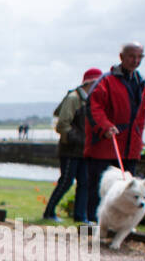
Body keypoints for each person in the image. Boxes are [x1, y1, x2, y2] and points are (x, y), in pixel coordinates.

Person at [83, 42, 145, 223]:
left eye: (139, 57)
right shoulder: (105, 82)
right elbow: (93, 107)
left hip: (130, 147)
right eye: (131, 56)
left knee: (128, 189)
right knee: (99, 185)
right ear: (121, 57)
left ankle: (121, 224)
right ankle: (93, 221)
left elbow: (140, 119)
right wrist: (105, 126)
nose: (135, 61)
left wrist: (138, 142)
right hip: (106, 144)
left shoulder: (142, 84)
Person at [43, 68, 101, 222]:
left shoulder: (90, 99)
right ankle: (49, 212)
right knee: (66, 181)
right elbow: (62, 125)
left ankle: (80, 216)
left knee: (85, 182)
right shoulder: (74, 98)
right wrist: (80, 139)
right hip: (70, 149)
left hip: (84, 150)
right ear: (91, 82)